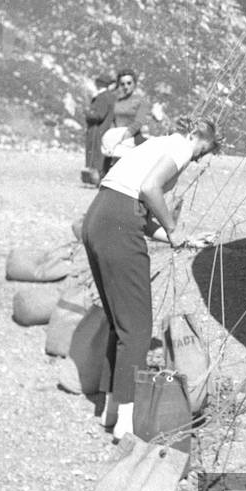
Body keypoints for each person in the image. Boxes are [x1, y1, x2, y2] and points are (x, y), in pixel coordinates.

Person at [82, 117, 219, 439]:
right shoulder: (180, 147)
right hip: (118, 226)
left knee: (121, 324)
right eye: (204, 150)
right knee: (138, 331)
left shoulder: (154, 145)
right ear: (195, 134)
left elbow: (136, 209)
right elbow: (149, 189)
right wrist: (173, 227)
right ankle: (127, 427)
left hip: (99, 219)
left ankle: (111, 410)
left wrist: (181, 239)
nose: (199, 157)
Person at [100, 70, 151, 177]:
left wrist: (128, 133)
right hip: (117, 137)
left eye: (129, 83)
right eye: (122, 84)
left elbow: (139, 121)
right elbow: (113, 119)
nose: (125, 86)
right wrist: (113, 135)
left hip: (133, 135)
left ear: (134, 84)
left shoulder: (141, 101)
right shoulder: (117, 101)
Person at [82, 73, 116, 186]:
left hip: (97, 130)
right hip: (104, 129)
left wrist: (87, 112)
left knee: (96, 157)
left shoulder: (102, 97)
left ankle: (97, 181)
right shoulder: (110, 96)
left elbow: (98, 115)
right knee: (100, 156)